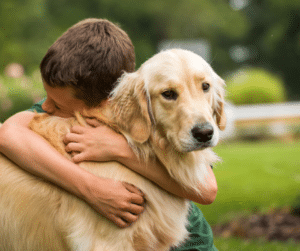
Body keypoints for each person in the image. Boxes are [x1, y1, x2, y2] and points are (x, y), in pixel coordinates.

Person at [0, 18, 218, 250]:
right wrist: (91, 188)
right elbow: (7, 135)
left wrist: (118, 149)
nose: (46, 108)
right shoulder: (67, 101)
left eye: (57, 103)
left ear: (103, 103)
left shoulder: (139, 105)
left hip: (192, 243)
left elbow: (207, 189)